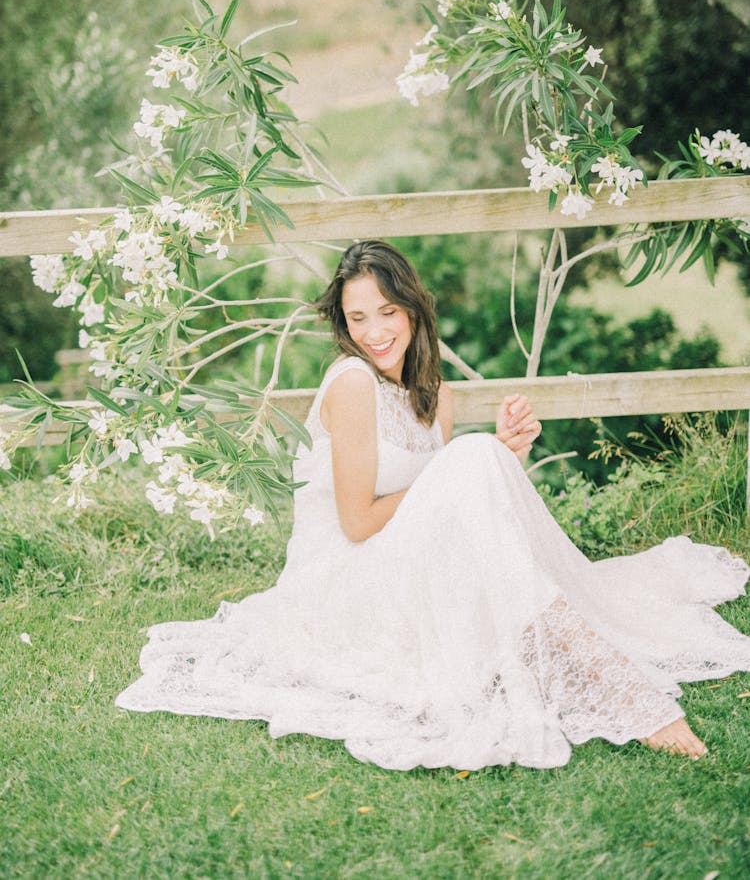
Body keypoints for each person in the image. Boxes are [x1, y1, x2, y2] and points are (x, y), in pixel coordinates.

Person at [116, 240, 750, 770]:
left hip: (411, 570)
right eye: (356, 318)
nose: (373, 332)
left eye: (386, 312)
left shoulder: (435, 397)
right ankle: (611, 683)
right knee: (470, 458)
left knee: (476, 457)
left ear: (412, 310)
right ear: (343, 323)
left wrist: (506, 456)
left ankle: (578, 652)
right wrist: (468, 465)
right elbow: (360, 521)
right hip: (348, 582)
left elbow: (452, 521)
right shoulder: (352, 383)